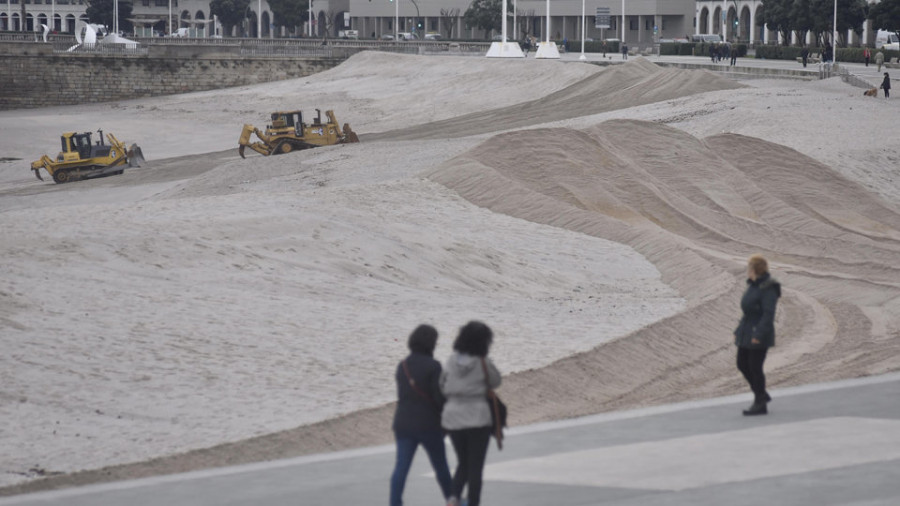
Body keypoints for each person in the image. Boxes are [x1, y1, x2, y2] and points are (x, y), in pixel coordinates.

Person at [390, 324, 453, 506]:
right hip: (429, 426)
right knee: (440, 466)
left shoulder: (402, 366)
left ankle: (395, 503)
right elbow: (440, 398)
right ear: (431, 344)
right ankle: (452, 500)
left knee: (401, 468)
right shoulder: (434, 367)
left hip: (403, 424)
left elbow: (403, 396)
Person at [441, 321, 501, 506]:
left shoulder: (451, 361)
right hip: (477, 418)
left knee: (463, 463)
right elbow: (496, 381)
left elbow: (441, 385)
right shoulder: (483, 362)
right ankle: (473, 503)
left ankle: (453, 498)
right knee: (475, 468)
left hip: (452, 419)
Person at [734, 255, 781, 416]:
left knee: (755, 367)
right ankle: (762, 394)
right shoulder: (753, 285)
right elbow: (748, 311)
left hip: (759, 334)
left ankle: (760, 402)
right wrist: (739, 332)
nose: (747, 271)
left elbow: (768, 314)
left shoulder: (768, 288)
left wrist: (758, 334)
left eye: (748, 268)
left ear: (754, 270)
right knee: (742, 364)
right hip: (746, 332)